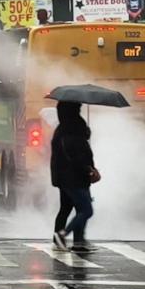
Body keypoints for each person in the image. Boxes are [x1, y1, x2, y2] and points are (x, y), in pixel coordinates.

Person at [51, 101, 98, 253]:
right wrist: (88, 169)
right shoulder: (72, 128)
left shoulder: (63, 128)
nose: (80, 110)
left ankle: (77, 242)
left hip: (66, 177)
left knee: (67, 209)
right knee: (85, 210)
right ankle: (63, 235)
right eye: (78, 108)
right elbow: (76, 155)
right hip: (75, 177)